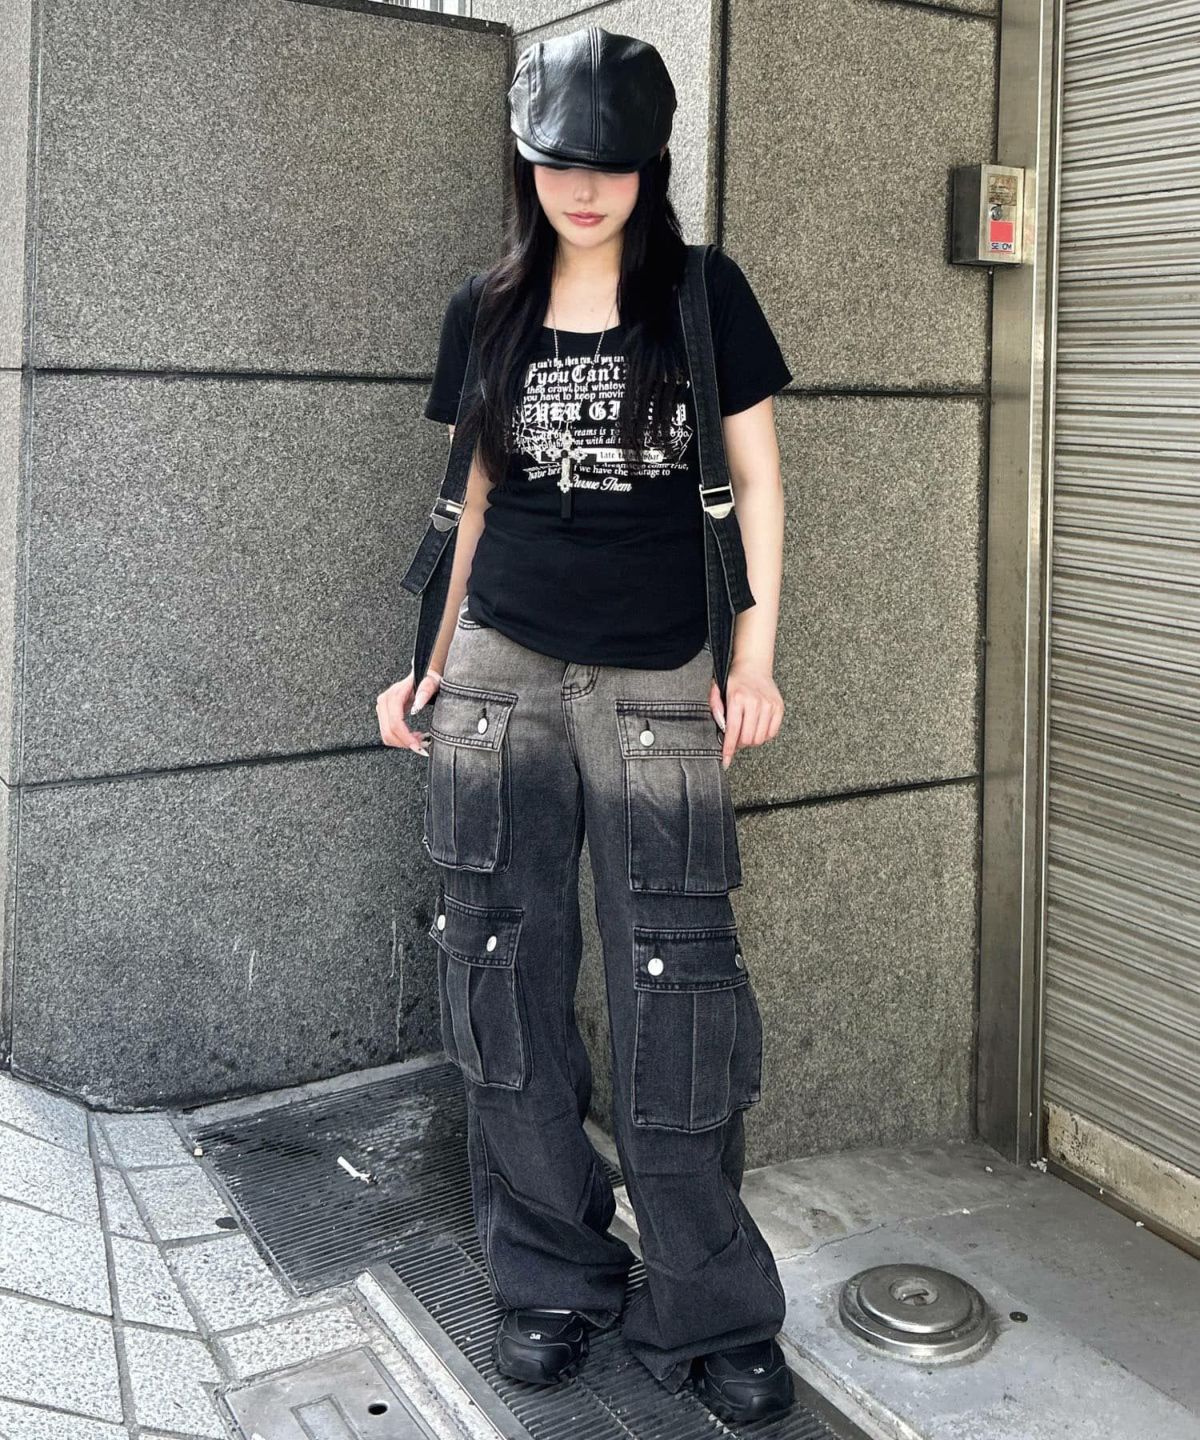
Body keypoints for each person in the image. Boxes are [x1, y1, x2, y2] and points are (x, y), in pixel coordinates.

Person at [376, 24, 794, 1427]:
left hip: (663, 677)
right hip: (500, 670)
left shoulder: (703, 296)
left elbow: (758, 478)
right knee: (500, 973)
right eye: (562, 161)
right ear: (528, 163)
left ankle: (709, 1305)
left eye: (612, 163)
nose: (586, 187)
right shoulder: (487, 308)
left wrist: (754, 656)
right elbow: (468, 501)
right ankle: (551, 1275)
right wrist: (422, 663)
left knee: (680, 987)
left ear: (650, 165)